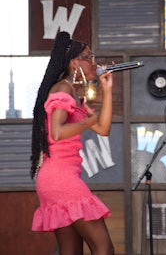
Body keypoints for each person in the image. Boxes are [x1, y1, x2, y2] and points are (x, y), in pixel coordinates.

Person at [30, 31, 114, 255]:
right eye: (90, 57)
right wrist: (88, 123)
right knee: (103, 247)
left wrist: (107, 90)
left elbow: (103, 129)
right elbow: (56, 133)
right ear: (75, 62)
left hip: (55, 179)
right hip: (61, 179)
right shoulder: (62, 90)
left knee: (71, 251)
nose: (94, 63)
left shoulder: (73, 93)